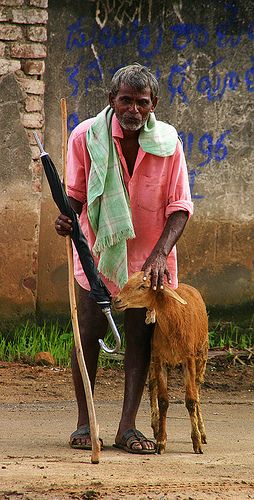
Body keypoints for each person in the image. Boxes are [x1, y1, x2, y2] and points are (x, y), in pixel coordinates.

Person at [55, 63, 193, 454]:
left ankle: (126, 428)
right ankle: (85, 423)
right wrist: (66, 217)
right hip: (96, 253)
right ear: (111, 101)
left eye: (142, 103)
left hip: (150, 259)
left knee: (139, 339)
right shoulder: (85, 137)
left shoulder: (169, 143)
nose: (134, 109)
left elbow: (180, 207)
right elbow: (76, 196)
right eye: (126, 100)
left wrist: (160, 255)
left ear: (154, 105)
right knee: (87, 335)